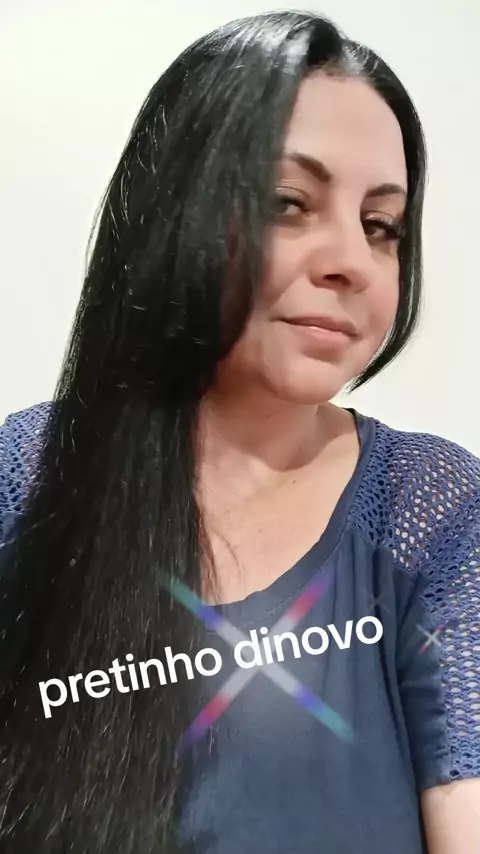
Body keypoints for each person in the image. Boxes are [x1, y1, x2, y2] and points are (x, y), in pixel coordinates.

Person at [0, 9, 478, 854]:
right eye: (289, 204)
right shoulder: (27, 475)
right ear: (172, 210)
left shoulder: (433, 510)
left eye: (381, 226)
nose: (351, 261)